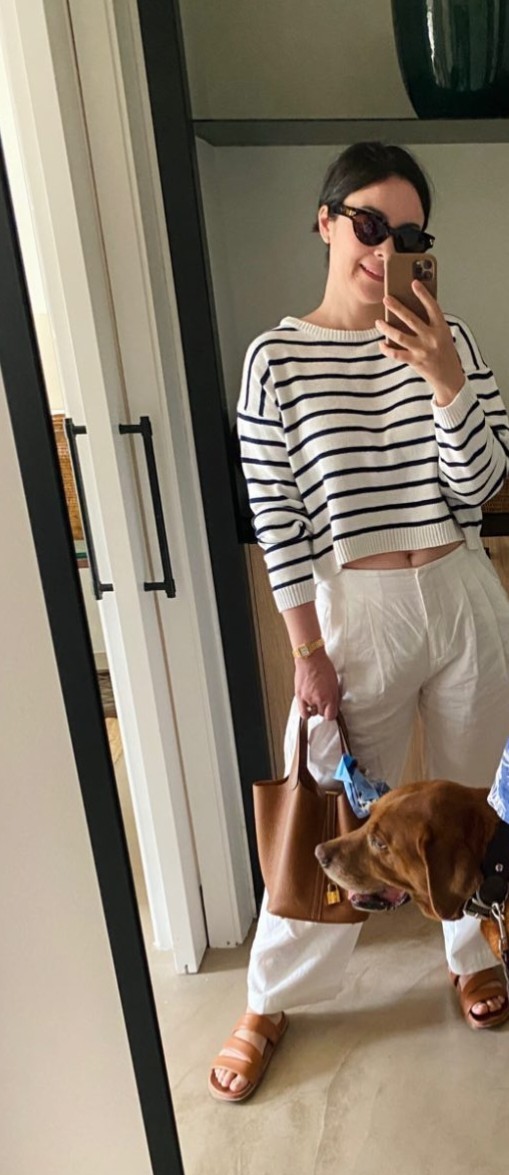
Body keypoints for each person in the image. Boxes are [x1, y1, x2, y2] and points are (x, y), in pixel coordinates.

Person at [208, 142, 509, 1103]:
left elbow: (484, 484)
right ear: (326, 222)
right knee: (328, 815)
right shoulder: (277, 359)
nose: (385, 250)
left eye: (407, 233)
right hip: (356, 610)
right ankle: (272, 996)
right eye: (368, 225)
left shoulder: (449, 337)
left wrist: (444, 376)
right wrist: (305, 650)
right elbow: (278, 519)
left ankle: (471, 952)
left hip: (461, 591)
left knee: (475, 814)